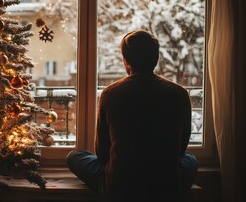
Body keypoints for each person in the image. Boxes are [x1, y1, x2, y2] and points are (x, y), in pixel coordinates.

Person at [66, 29, 198, 202]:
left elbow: (102, 153)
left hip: (119, 189)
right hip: (166, 188)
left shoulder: (110, 94)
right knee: (191, 160)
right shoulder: (179, 94)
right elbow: (181, 149)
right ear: (156, 59)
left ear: (126, 61)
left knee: (74, 157)